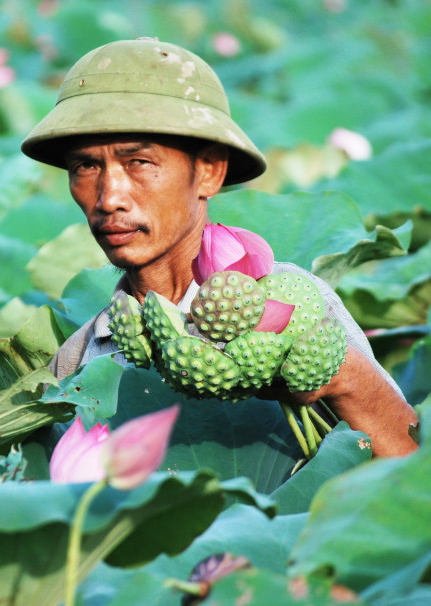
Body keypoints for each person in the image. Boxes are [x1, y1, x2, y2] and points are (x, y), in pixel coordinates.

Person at [21, 38, 418, 457]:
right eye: (86, 166)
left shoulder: (294, 305)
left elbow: (411, 479)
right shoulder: (84, 354)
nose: (108, 198)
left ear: (209, 171)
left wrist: (343, 376)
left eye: (139, 162)